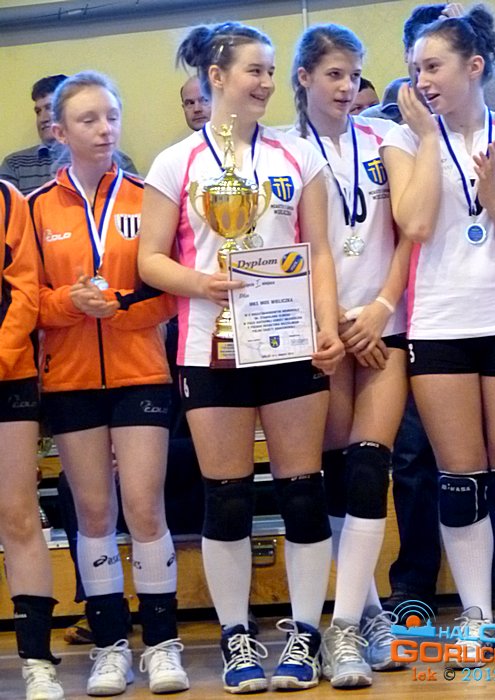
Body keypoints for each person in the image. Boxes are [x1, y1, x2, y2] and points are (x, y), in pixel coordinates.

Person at [138, 20, 344, 695]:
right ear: (216, 76)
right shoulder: (176, 162)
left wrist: (325, 326)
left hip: (288, 344)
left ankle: (306, 633)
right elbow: (149, 259)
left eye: (270, 70)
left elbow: (319, 252)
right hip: (210, 348)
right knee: (225, 500)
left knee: (302, 491)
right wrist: (202, 283)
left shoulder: (296, 156)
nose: (265, 82)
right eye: (254, 70)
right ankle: (236, 636)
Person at [28, 71, 187, 696]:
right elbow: (29, 299)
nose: (104, 129)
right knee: (94, 513)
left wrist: (117, 307)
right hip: (70, 379)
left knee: (145, 507)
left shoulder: (148, 198)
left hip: (139, 370)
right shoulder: (37, 207)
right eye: (88, 120)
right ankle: (110, 646)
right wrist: (69, 303)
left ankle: (164, 644)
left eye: (111, 117)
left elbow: (170, 292)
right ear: (59, 131)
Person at [381, 4, 495, 665]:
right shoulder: (405, 137)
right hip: (438, 323)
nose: (422, 79)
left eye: (433, 66)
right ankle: (475, 617)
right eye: (415, 68)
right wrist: (430, 139)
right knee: (459, 478)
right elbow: (413, 225)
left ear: (473, 66)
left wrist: (494, 201)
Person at [291, 23, 411, 688]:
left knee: (370, 470)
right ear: (304, 77)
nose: (346, 87)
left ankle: (345, 626)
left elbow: (409, 233)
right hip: (323, 334)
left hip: (382, 327)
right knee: (336, 476)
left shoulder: (386, 138)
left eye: (354, 75)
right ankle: (364, 614)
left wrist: (380, 309)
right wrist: (331, 321)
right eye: (333, 74)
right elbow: (294, 249)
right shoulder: (283, 150)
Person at [0, 180, 64, 700]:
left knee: (19, 516)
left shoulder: (6, 199)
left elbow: (24, 291)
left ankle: (37, 662)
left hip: (8, 375)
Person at [0, 74, 137, 195]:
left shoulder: (119, 162)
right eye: (38, 111)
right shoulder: (15, 164)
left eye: (49, 108)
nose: (43, 118)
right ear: (59, 133)